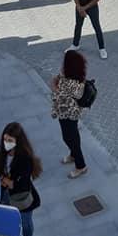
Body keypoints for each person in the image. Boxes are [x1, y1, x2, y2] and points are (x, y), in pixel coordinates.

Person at [0, 123, 41, 236]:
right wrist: (5, 180)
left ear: (18, 141)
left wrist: (7, 181)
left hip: (21, 198)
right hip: (5, 193)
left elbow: (21, 185)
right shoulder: (0, 150)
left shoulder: (25, 158)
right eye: (5, 139)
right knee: (7, 217)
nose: (6, 142)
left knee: (25, 222)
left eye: (10, 140)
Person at [51, 49, 88, 179]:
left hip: (70, 113)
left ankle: (81, 165)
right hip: (64, 112)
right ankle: (73, 155)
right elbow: (58, 81)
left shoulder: (74, 82)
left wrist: (54, 86)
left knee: (70, 138)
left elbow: (59, 95)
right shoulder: (67, 74)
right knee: (71, 136)